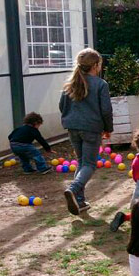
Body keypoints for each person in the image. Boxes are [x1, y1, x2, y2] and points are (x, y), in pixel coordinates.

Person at [60, 48, 113, 216]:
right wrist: (108, 128)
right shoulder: (100, 84)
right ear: (96, 65)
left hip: (72, 127)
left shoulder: (69, 84)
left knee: (82, 162)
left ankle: (80, 202)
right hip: (91, 128)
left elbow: (62, 106)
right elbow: (106, 110)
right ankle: (73, 189)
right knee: (89, 164)